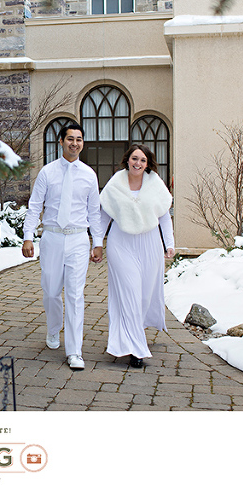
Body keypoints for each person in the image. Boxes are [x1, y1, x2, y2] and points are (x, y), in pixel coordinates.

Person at [22, 122, 104, 371]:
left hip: (78, 239)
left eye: (79, 139)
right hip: (52, 238)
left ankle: (75, 351)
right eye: (70, 139)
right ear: (61, 142)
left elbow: (94, 212)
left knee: (75, 295)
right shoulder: (48, 173)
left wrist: (97, 242)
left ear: (83, 143)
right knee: (50, 290)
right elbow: (35, 206)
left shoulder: (89, 175)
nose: (75, 143)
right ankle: (53, 327)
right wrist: (28, 236)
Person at [99, 144, 175, 368]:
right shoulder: (115, 184)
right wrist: (97, 243)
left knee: (143, 296)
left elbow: (164, 217)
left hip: (149, 244)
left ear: (148, 163)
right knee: (129, 292)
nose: (138, 163)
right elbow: (104, 216)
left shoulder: (155, 185)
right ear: (127, 160)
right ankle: (136, 349)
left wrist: (169, 244)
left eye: (142, 160)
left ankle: (133, 335)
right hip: (121, 244)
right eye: (134, 158)